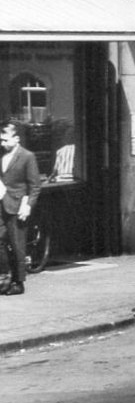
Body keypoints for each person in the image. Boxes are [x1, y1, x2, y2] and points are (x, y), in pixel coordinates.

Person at [1, 124, 43, 295]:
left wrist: (28, 206)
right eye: (0, 140)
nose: (2, 143)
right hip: (1, 203)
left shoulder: (27, 156)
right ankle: (5, 276)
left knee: (17, 245)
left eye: (5, 139)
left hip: (17, 206)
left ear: (16, 138)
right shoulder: (1, 155)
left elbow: (35, 185)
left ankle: (19, 283)